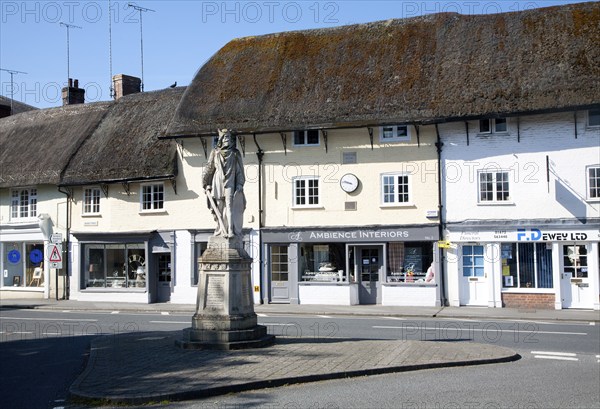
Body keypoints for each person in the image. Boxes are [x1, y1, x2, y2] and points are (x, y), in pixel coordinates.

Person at [202, 129, 246, 239]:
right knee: (219, 207)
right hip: (217, 182)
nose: (227, 140)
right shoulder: (215, 152)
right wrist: (204, 182)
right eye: (225, 137)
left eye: (229, 138)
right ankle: (220, 229)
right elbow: (209, 168)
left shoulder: (235, 153)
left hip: (230, 182)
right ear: (221, 139)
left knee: (230, 206)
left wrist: (240, 183)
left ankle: (230, 230)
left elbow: (240, 170)